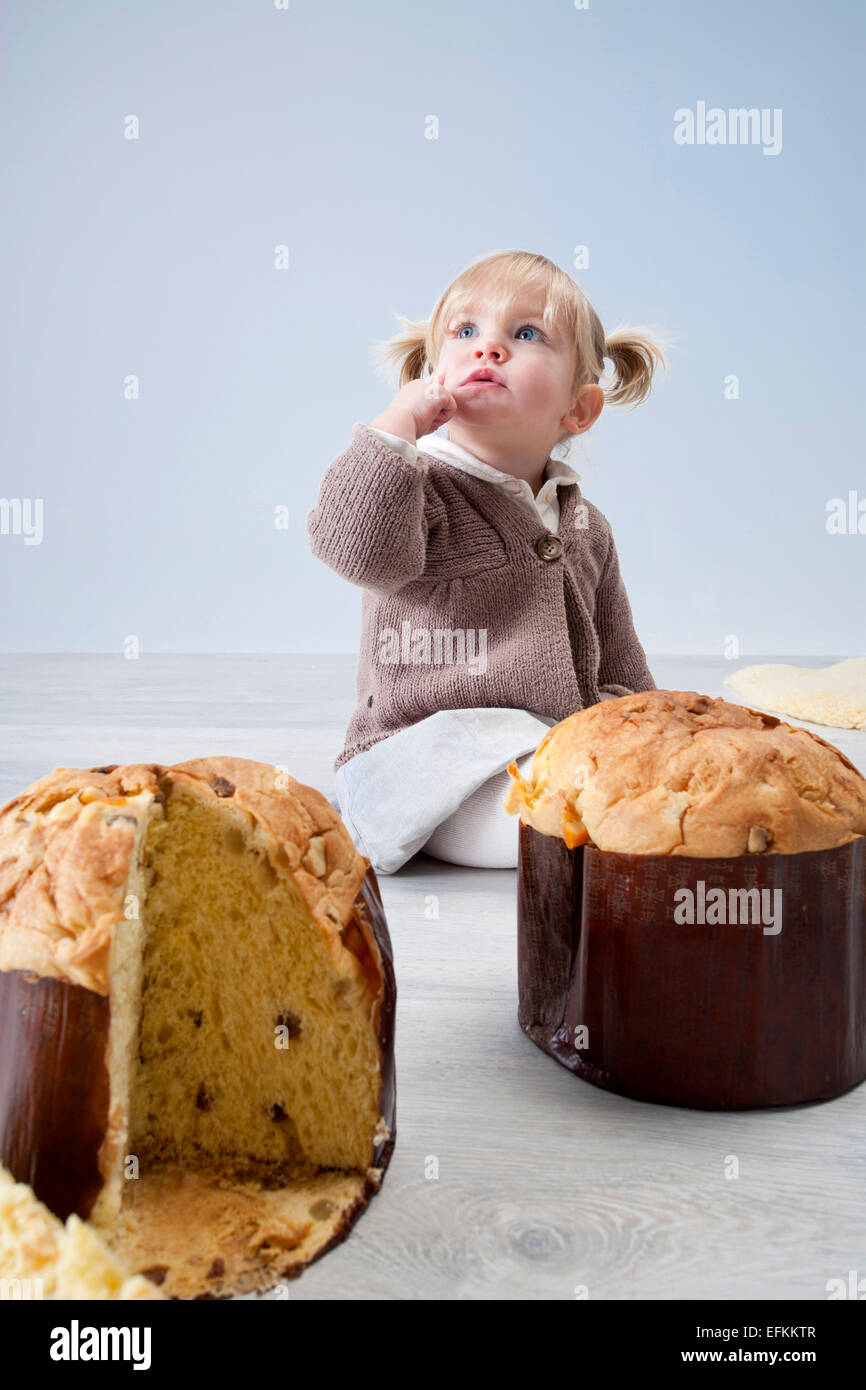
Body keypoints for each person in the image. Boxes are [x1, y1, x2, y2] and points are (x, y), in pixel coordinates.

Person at [306, 249, 669, 872]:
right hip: (426, 761)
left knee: (644, 758)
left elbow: (620, 654)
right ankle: (585, 820)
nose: (488, 349)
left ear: (577, 409)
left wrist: (642, 730)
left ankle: (612, 807)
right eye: (465, 332)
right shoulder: (417, 488)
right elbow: (354, 547)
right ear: (431, 375)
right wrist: (395, 431)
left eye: (526, 335)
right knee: (541, 785)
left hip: (549, 747)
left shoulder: (587, 527)